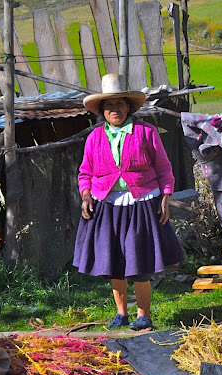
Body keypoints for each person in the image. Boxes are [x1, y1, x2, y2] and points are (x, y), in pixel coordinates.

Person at [73, 74, 183, 330]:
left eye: (120, 104)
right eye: (109, 105)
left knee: (139, 260)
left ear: (129, 107)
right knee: (114, 262)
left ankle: (143, 315)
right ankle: (121, 314)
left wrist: (166, 196)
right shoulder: (95, 138)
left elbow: (163, 167)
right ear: (102, 110)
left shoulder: (146, 132)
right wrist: (86, 195)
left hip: (141, 203)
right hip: (106, 205)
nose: (115, 110)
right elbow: (85, 173)